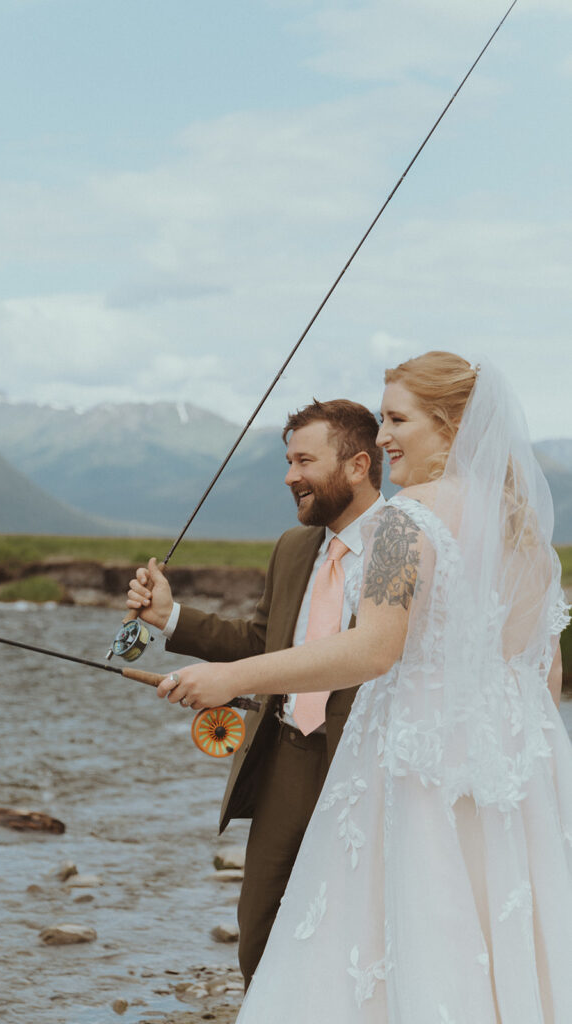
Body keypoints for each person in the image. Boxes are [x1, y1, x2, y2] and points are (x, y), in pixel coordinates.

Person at [158, 352, 572, 1022]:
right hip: (515, 769)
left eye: (395, 418)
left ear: (454, 424)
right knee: (501, 937)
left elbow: (371, 649)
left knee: (397, 929)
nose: (380, 438)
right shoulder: (524, 533)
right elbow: (543, 674)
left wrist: (229, 677)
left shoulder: (406, 520)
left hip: (413, 763)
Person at [126, 398, 385, 986]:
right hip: (287, 758)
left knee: (366, 930)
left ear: (358, 465)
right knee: (261, 932)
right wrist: (170, 617)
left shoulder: (406, 544)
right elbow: (260, 641)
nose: (290, 476)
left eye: (303, 460)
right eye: (287, 460)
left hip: (371, 763)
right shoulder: (293, 548)